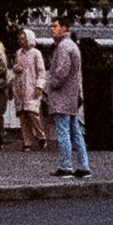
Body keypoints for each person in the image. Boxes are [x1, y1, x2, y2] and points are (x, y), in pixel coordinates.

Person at [46, 16, 89, 179]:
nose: (52, 29)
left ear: (64, 28)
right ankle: (84, 165)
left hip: (61, 96)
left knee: (63, 131)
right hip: (71, 96)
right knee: (76, 131)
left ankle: (66, 166)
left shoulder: (63, 47)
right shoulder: (73, 46)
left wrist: (51, 83)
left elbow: (61, 71)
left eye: (55, 26)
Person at [10, 26, 48, 152]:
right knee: (23, 115)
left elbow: (41, 71)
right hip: (20, 86)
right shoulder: (18, 53)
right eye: (20, 39)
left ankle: (40, 135)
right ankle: (27, 141)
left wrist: (39, 85)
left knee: (33, 113)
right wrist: (16, 69)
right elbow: (15, 66)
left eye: (23, 39)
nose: (21, 41)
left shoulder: (36, 53)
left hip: (32, 86)